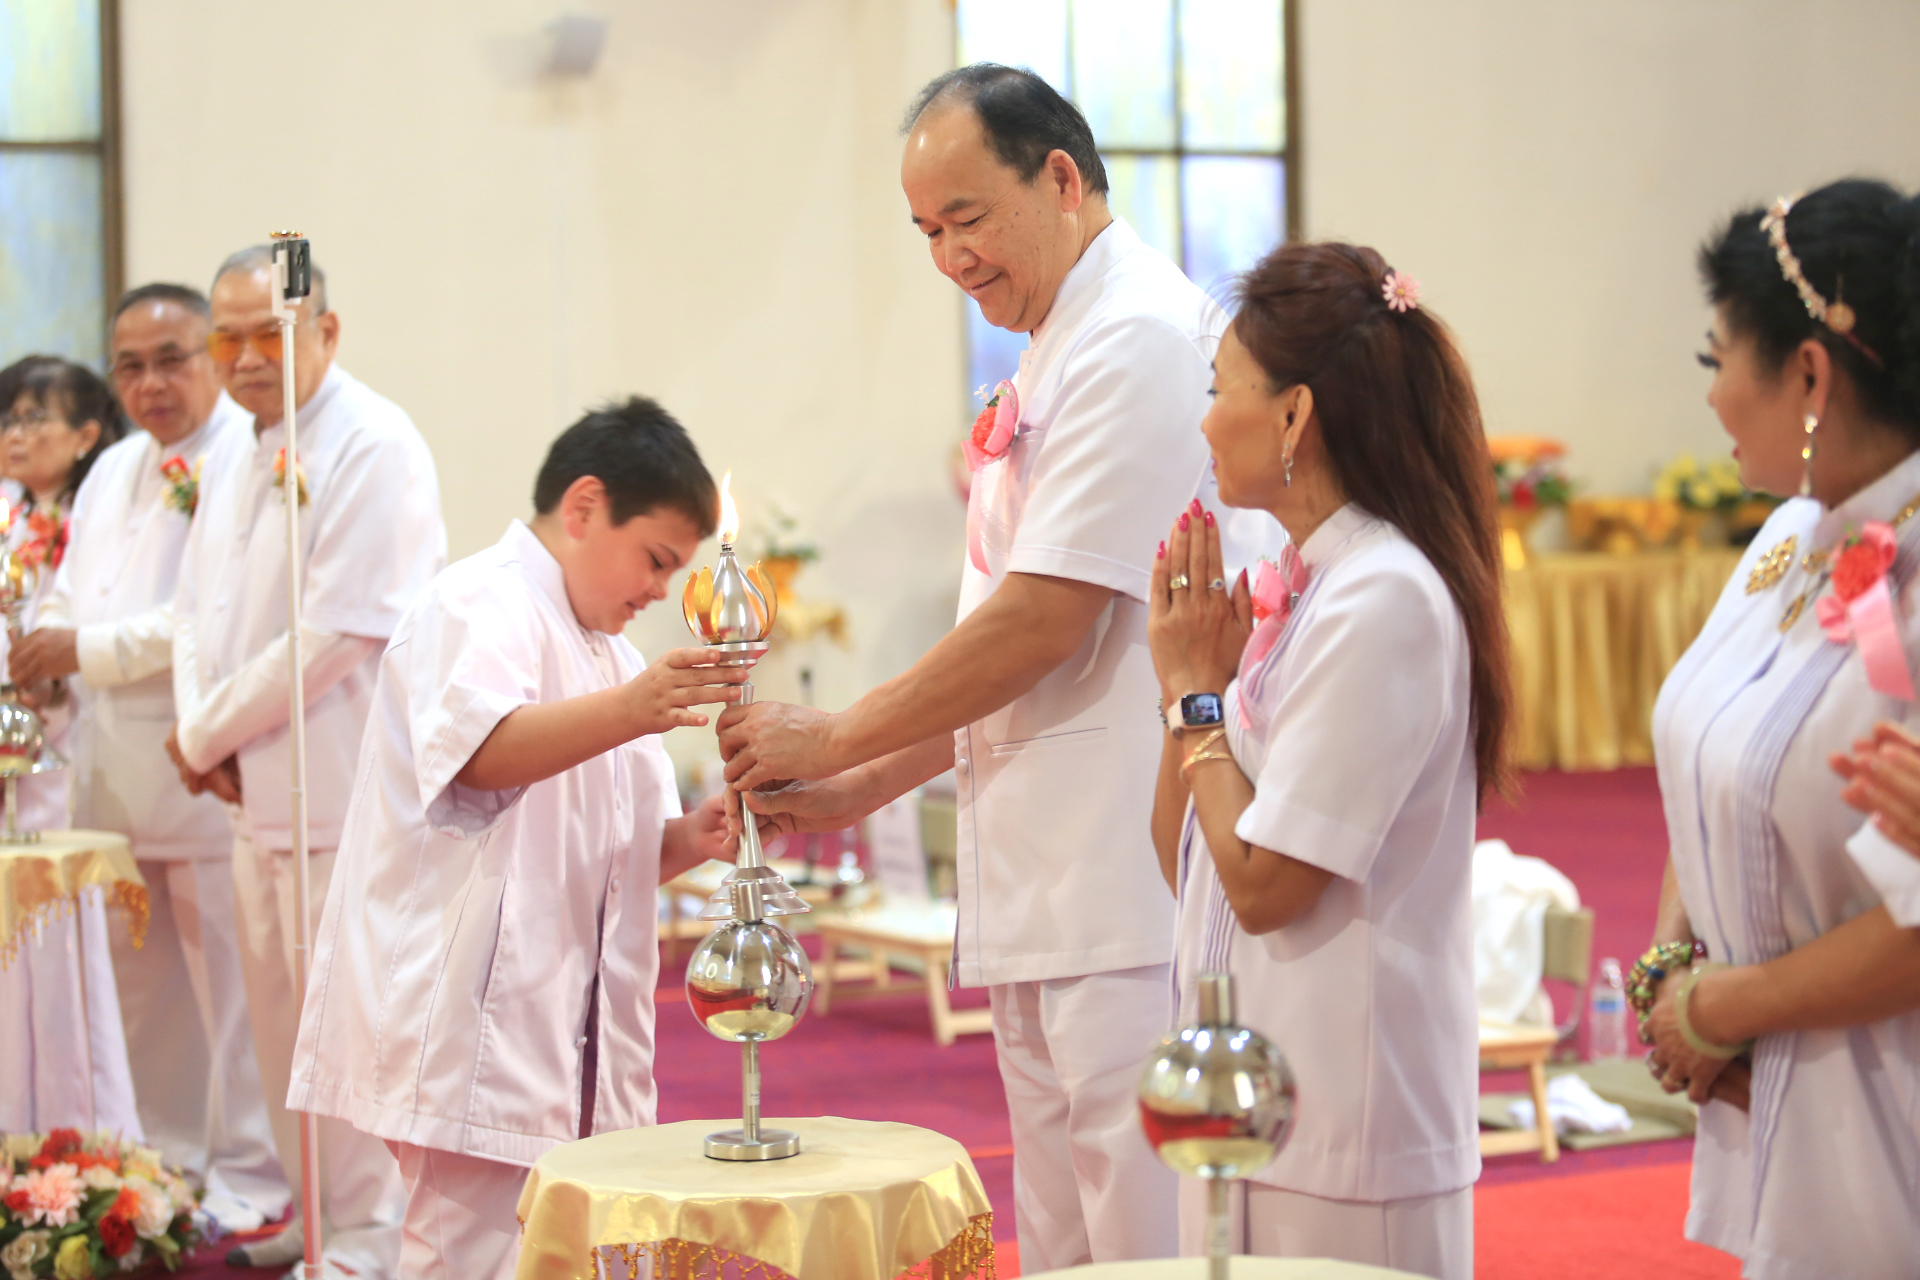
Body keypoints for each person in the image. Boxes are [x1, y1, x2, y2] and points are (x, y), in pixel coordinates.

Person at [717, 65, 1278, 1269]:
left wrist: (842, 734)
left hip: (1126, 870)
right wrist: (862, 781)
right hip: (1048, 863)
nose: (948, 259)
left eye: (966, 219)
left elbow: (1044, 621)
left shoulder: (1133, 337)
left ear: (1062, 179)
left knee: (1141, 1229)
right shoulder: (1057, 341)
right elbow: (1006, 626)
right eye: (926, 231)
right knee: (1069, 1229)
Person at [289, 399, 742, 1280]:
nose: (658, 591)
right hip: (470, 1032)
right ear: (583, 508)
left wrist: (693, 836)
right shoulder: (475, 601)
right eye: (656, 560)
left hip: (569, 1030)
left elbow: (606, 854)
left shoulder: (606, 655)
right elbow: (478, 761)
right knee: (474, 1260)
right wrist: (631, 710)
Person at [1145, 243, 1502, 1278]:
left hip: (1347, 1119)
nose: (1204, 418)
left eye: (1220, 389)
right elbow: (1183, 857)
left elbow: (1265, 886)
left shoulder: (1383, 596)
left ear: (1294, 415)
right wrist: (1185, 687)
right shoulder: (1297, 583)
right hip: (1245, 1093)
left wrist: (1193, 696)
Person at [1640, 178, 1920, 1279]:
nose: (1710, 397)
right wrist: (1675, 971)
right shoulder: (1788, 539)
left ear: (1808, 371)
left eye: (1719, 360)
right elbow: (1707, 757)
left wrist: (1722, 1004)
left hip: (1885, 1087)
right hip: (1771, 1074)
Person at [169, 245, 446, 1277]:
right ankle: (313, 1210)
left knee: (354, 1023)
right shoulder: (237, 447)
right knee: (282, 1024)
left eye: (266, 333)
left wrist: (202, 736)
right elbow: (194, 610)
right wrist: (202, 722)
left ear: (325, 330)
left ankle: (371, 1237)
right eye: (226, 335)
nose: (243, 357)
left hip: (338, 782)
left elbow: (338, 631)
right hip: (250, 785)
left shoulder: (374, 442)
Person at [11, 285, 287, 1234]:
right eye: (129, 364)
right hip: (108, 769)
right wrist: (45, 647)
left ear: (213, 355)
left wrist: (78, 652)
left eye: (171, 357)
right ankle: (161, 1165)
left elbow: (206, 622)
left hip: (200, 762)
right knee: (144, 990)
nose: (150, 381)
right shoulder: (116, 465)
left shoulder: (246, 461)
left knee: (234, 989)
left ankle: (254, 1173)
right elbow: (66, 588)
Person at [0, 356, 127, 832]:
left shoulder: (99, 514)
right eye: (7, 420)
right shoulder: (9, 513)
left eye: (33, 419)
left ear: (86, 436)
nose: (15, 435)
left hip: (73, 720)